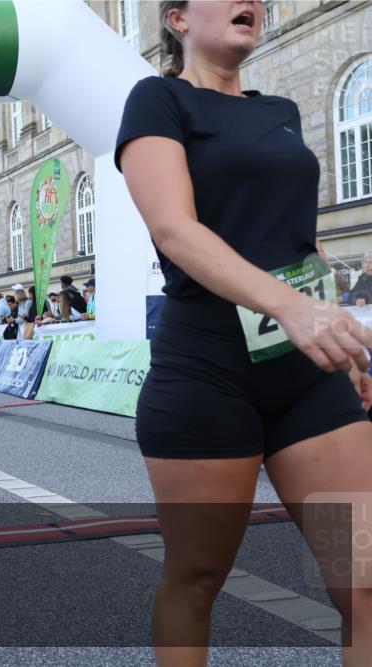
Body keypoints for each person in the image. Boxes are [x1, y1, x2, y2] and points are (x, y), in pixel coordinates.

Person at [116, 2, 372, 664]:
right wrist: (290, 306)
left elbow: (299, 241)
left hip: (306, 377)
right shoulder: (158, 100)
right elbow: (175, 229)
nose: (250, 1)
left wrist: (331, 335)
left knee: (365, 580)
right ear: (176, 19)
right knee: (196, 579)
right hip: (206, 374)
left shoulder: (279, 112)